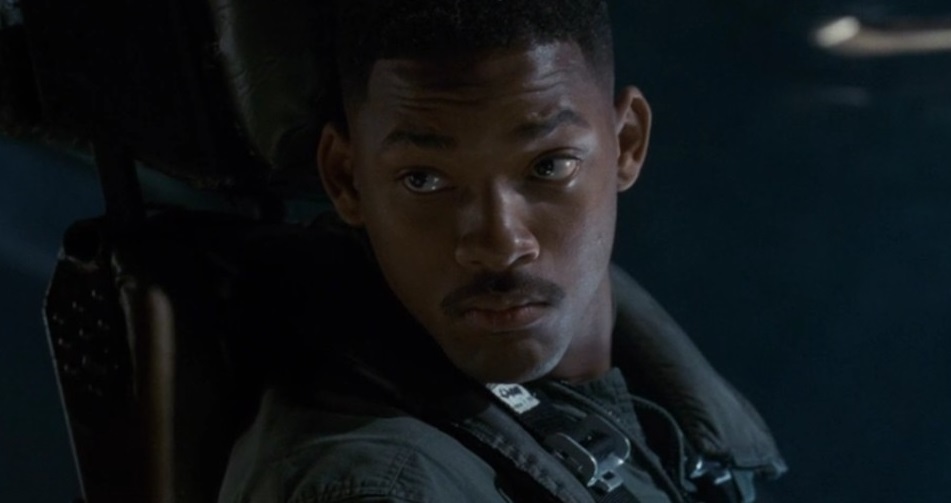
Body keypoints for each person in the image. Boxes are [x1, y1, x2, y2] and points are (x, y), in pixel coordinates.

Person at [218, 1, 787, 501]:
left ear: (627, 144)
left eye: (549, 166)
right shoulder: (378, 487)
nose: (499, 245)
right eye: (424, 180)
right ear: (346, 179)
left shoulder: (681, 424)